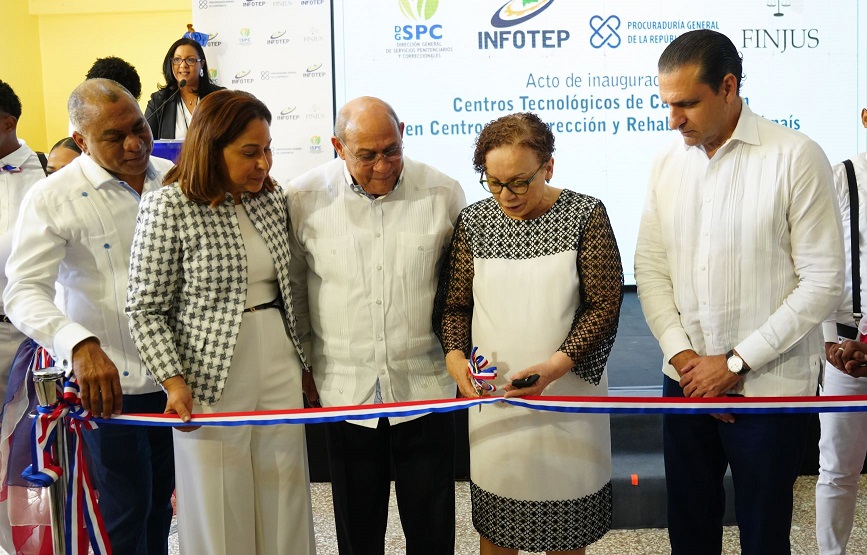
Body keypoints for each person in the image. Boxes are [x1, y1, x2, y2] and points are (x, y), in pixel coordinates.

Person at [634, 29, 844, 555]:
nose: (674, 119)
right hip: (684, 382)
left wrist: (732, 365)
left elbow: (822, 282)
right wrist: (688, 363)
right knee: (689, 528)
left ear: (728, 87)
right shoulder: (666, 162)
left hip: (770, 386)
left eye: (687, 103)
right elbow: (651, 268)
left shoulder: (795, 156)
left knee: (764, 533)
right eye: (667, 104)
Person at [126, 89, 315, 555]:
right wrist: (172, 381)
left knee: (285, 483)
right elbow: (145, 309)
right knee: (218, 494)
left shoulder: (271, 199)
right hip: (206, 373)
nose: (263, 163)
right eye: (250, 152)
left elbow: (290, 287)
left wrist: (306, 363)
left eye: (267, 149)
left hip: (278, 358)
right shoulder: (167, 206)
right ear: (211, 148)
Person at [433, 112, 623, 555]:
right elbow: (455, 305)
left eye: (519, 182)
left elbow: (603, 305)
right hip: (495, 396)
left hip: (567, 395)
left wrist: (554, 367)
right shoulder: (475, 222)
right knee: (499, 523)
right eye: (494, 182)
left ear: (548, 167)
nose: (507, 195)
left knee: (566, 526)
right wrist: (455, 357)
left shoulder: (585, 215)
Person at [286, 96, 465, 555]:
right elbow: (296, 291)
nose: (383, 166)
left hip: (425, 385)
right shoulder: (303, 198)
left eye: (392, 150)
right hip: (344, 388)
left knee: (432, 530)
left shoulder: (442, 193)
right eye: (367, 155)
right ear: (338, 147)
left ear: (403, 133)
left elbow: (458, 293)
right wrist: (305, 364)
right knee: (357, 531)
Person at [4, 78, 175, 555]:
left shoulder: (171, 177)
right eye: (114, 137)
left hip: (177, 380)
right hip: (108, 387)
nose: (135, 144)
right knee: (123, 513)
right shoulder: (53, 196)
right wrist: (78, 343)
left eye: (139, 127)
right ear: (81, 140)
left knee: (161, 507)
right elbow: (23, 291)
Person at [816, 107, 867, 555]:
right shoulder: (842, 177)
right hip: (848, 348)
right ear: (866, 117)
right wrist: (830, 339)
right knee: (837, 466)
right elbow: (820, 264)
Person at [144, 37, 223, 140]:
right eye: (177, 60)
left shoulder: (219, 97)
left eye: (190, 60)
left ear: (202, 64)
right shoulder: (159, 101)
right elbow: (145, 139)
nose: (183, 65)